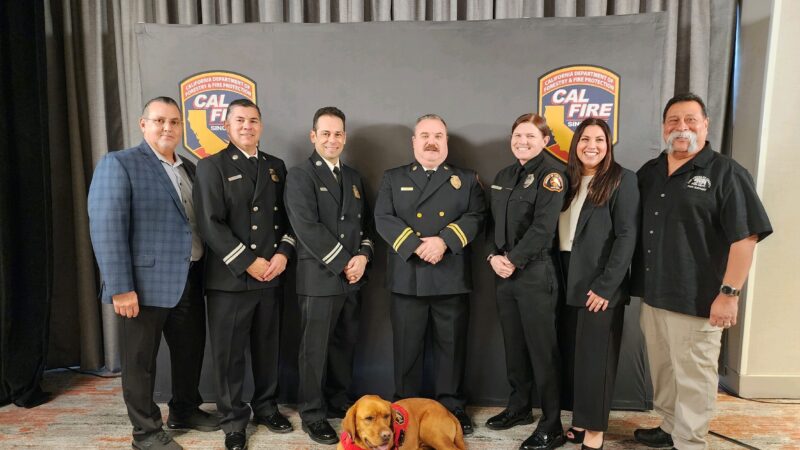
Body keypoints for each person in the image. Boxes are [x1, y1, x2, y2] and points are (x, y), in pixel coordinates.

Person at [631, 93, 772, 450]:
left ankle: (690, 441)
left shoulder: (726, 172)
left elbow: (746, 238)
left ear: (706, 125)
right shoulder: (650, 172)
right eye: (673, 121)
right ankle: (669, 426)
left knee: (694, 376)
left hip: (700, 299)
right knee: (664, 372)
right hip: (655, 296)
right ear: (664, 127)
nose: (682, 128)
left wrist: (729, 294)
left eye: (691, 120)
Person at [88, 96, 219, 450]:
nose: (167, 128)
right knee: (140, 362)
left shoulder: (189, 168)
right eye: (159, 120)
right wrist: (120, 287)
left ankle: (185, 410)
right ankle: (145, 432)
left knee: (190, 352)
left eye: (174, 122)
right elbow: (106, 226)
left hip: (190, 278)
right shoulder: (120, 163)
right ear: (142, 124)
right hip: (142, 286)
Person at [374, 114, 486, 435]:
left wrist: (444, 242)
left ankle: (452, 408)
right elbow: (383, 217)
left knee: (451, 350)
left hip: (449, 275)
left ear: (446, 142)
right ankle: (405, 411)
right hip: (408, 275)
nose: (431, 142)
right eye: (424, 135)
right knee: (406, 351)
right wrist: (415, 245)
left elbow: (477, 216)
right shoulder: (393, 178)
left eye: (438, 135)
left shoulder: (465, 179)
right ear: (414, 142)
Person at [193, 99, 295, 450]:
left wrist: (283, 254)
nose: (247, 126)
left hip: (271, 275)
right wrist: (247, 261)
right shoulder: (211, 166)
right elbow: (210, 223)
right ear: (226, 125)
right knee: (230, 354)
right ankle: (234, 420)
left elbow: (288, 219)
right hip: (231, 278)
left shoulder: (276, 167)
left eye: (253, 120)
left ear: (261, 125)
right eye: (240, 120)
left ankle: (267, 406)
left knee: (268, 348)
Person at [284, 107, 375, 445]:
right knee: (315, 350)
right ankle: (312, 413)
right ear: (313, 136)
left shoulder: (352, 177)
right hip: (319, 277)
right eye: (326, 133)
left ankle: (337, 401)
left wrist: (363, 257)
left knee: (344, 345)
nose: (332, 139)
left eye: (338, 133)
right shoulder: (300, 175)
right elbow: (307, 227)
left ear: (344, 137)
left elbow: (365, 227)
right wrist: (344, 262)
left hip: (352, 278)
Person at [485, 113, 567, 450]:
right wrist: (492, 257)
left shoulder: (552, 175)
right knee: (514, 346)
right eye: (518, 135)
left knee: (542, 351)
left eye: (531, 136)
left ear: (545, 140)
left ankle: (552, 424)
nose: (523, 141)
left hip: (534, 274)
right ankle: (519, 407)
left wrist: (513, 261)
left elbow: (543, 229)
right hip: (503, 273)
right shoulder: (504, 175)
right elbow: (493, 224)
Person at [557, 118, 639, 450]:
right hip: (564, 274)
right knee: (573, 357)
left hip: (600, 281)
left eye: (599, 140)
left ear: (608, 145)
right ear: (575, 144)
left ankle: (594, 430)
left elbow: (626, 236)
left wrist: (607, 286)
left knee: (596, 359)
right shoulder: (566, 180)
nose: (592, 145)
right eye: (585, 139)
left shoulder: (622, 180)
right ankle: (578, 419)